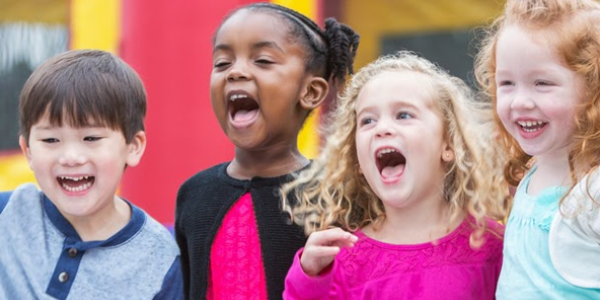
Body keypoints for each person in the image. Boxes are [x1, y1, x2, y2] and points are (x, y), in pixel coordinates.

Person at [281, 51, 508, 300]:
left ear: (448, 144)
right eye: (367, 120)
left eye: (403, 115)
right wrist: (309, 279)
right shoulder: (345, 259)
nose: (382, 129)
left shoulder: (494, 245)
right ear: (356, 159)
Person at [174, 3, 359, 300]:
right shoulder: (193, 194)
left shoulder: (334, 192)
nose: (236, 72)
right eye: (222, 63)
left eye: (262, 60)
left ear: (311, 92)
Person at [0, 49, 182, 300]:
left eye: (91, 138)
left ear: (133, 146)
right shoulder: (8, 214)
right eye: (51, 139)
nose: (70, 157)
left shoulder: (162, 262)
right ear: (27, 151)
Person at [474, 0, 600, 298]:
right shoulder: (533, 172)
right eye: (506, 83)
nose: (519, 101)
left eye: (541, 83)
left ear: (594, 89)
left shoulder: (593, 190)